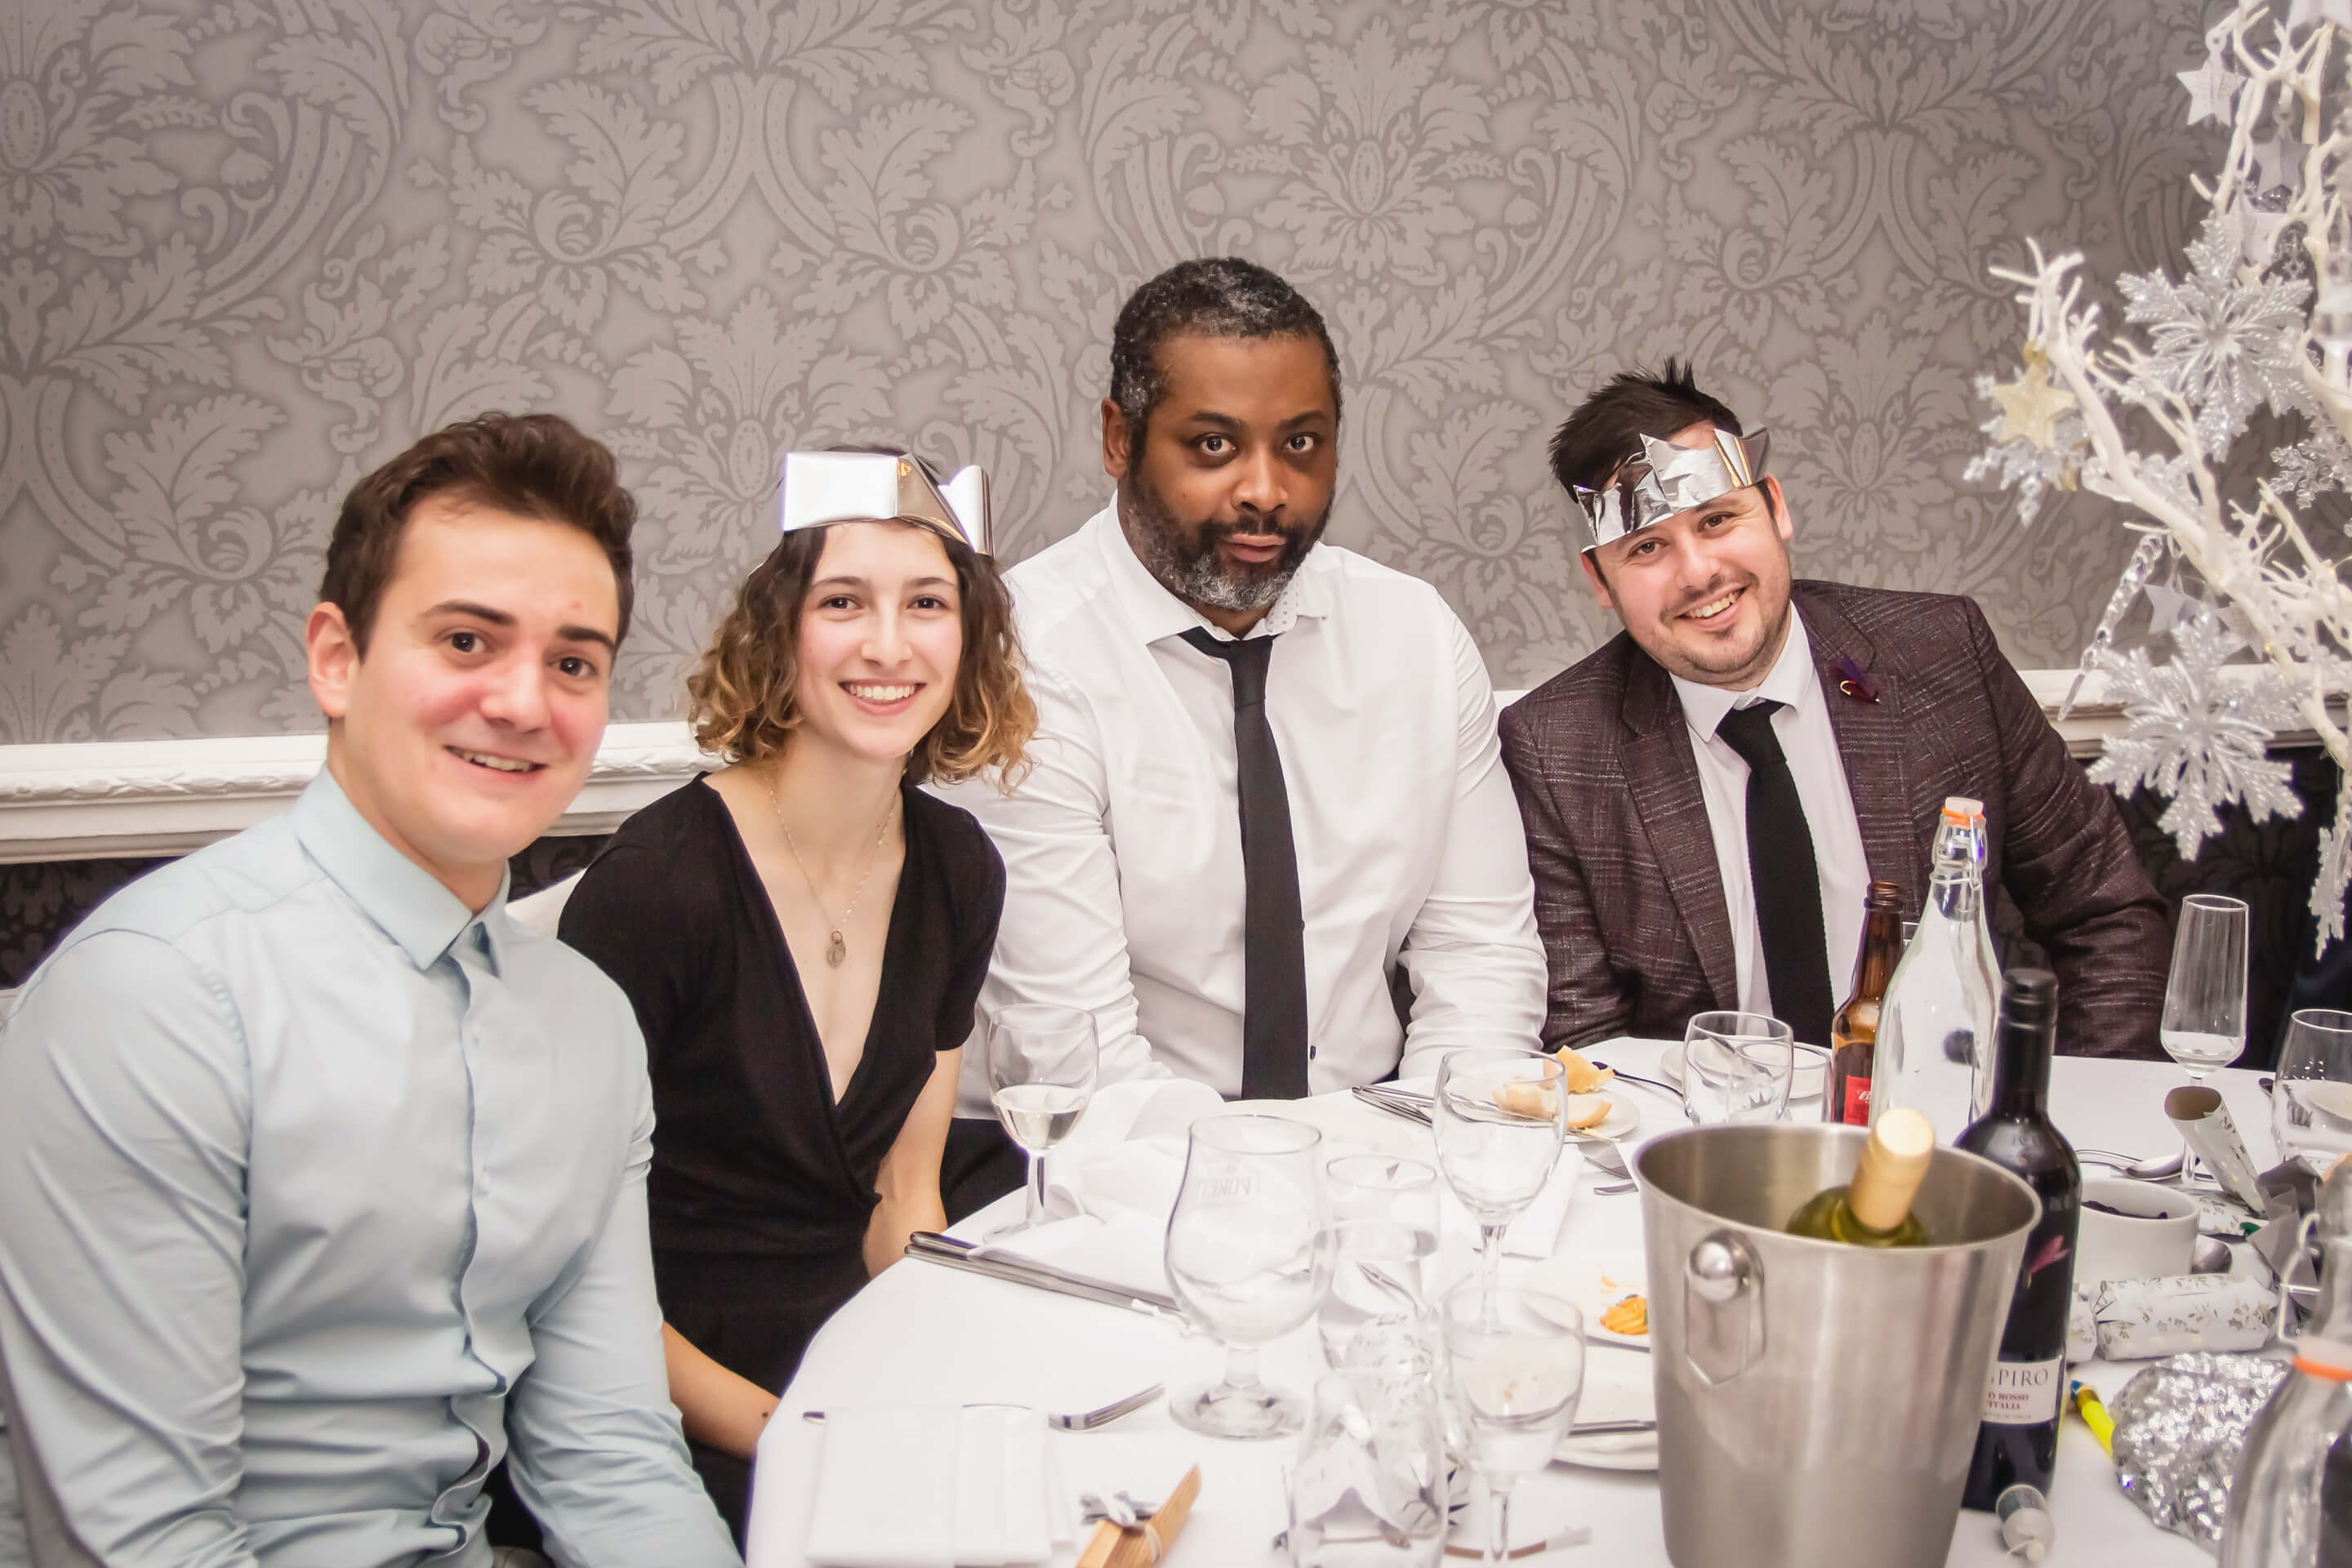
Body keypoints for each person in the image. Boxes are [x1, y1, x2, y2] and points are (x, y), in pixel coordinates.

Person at [0, 415, 740, 1565]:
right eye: (464, 641)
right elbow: (143, 1544)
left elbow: (609, 1455)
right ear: (335, 659)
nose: (522, 703)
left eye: (574, 662)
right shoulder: (156, 999)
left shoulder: (587, 1023)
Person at [931, 256, 1548, 1217]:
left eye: (1302, 444)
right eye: (1213, 446)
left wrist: (1429, 1173)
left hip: (1377, 1155)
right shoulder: (1016, 656)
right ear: (1118, 438)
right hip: (1086, 1172)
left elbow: (1482, 960)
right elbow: (1074, 1051)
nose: (1266, 490)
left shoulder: (1416, 636)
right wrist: (1281, 1207)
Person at [556, 450, 1031, 1538]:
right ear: (781, 635)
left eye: (927, 604)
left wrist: (929, 1388)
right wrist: (803, 1436)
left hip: (843, 1343)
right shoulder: (659, 889)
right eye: (843, 603)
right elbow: (574, 1283)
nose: (888, 645)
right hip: (659, 1388)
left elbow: (904, 1197)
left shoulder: (960, 871)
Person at [1499, 362, 2170, 1059]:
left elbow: (2105, 913)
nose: (1698, 573)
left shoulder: (1944, 656)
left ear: (1777, 508)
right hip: (1705, 1145)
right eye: (1647, 548)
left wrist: (2061, 1127)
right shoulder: (1555, 748)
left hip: (1945, 1127)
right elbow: (1586, 1043)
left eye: (1719, 519)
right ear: (1599, 580)